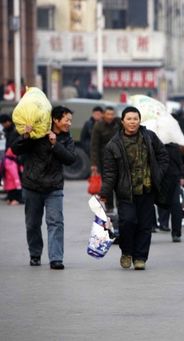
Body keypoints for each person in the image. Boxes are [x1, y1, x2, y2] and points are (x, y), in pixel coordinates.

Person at [99, 106, 169, 270]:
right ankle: (126, 252)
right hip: (126, 192)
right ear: (122, 121)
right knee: (127, 223)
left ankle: (140, 257)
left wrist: (158, 173)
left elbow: (163, 155)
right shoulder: (113, 144)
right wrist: (104, 193)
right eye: (129, 119)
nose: (132, 122)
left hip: (147, 190)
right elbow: (109, 173)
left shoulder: (149, 137)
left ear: (140, 120)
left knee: (145, 226)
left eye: (135, 119)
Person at [11, 106, 76, 269]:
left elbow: (70, 159)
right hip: (32, 185)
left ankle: (56, 258)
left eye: (70, 120)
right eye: (67, 119)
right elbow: (15, 149)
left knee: (55, 222)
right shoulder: (37, 133)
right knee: (32, 224)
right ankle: (35, 254)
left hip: (54, 187)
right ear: (55, 119)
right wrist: (25, 135)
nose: (69, 123)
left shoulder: (67, 138)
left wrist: (55, 144)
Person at [90, 106, 121, 212]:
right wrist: (94, 164)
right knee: (107, 184)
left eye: (112, 114)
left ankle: (120, 205)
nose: (110, 117)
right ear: (103, 115)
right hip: (104, 160)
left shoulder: (118, 124)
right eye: (108, 114)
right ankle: (109, 207)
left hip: (119, 159)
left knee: (120, 183)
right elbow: (94, 146)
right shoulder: (98, 126)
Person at [156, 142, 184, 242]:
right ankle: (175, 233)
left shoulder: (152, 142)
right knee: (175, 204)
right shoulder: (174, 146)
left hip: (161, 178)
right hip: (172, 177)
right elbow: (180, 162)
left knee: (163, 203)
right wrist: (181, 176)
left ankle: (162, 224)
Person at [1, 114, 22, 205]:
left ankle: (17, 198)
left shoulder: (15, 131)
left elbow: (16, 145)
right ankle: (11, 196)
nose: (3, 125)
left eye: (3, 123)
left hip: (14, 157)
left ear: (8, 122)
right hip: (10, 157)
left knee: (15, 178)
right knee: (9, 179)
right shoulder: (8, 131)